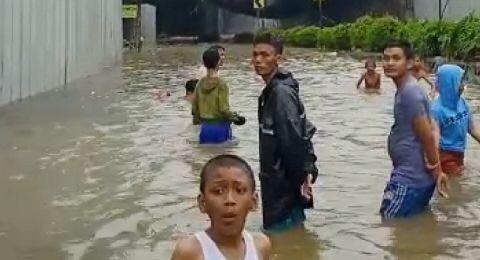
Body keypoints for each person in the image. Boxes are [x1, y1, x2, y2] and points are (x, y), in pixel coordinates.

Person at [252, 33, 319, 232]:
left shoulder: (280, 93)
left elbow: (294, 141)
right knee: (295, 238)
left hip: (283, 189)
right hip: (278, 185)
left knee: (281, 235)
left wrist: (303, 177)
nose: (258, 60)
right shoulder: (272, 91)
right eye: (255, 55)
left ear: (278, 59)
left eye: (265, 55)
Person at [380, 40, 448, 219]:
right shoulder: (410, 88)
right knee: (411, 232)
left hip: (408, 180)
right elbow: (433, 125)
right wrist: (436, 170)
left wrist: (436, 169)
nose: (389, 63)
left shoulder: (409, 92)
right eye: (386, 58)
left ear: (409, 63)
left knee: (388, 223)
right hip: (416, 178)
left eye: (396, 58)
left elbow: (426, 135)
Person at [171, 154, 271, 260]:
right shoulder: (190, 252)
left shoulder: (260, 245)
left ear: (254, 201)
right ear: (202, 203)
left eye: (239, 190)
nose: (229, 200)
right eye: (218, 191)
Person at [431, 64, 480, 176]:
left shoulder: (462, 102)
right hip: (444, 155)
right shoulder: (436, 110)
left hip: (459, 153)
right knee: (458, 186)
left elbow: (473, 129)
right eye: (460, 82)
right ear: (450, 83)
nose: (463, 85)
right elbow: (434, 141)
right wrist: (436, 168)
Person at [192, 48, 246, 144]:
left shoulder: (199, 84)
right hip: (220, 128)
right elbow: (223, 109)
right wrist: (236, 118)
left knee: (205, 157)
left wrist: (198, 123)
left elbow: (194, 109)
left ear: (204, 64)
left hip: (205, 129)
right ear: (218, 62)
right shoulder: (221, 84)